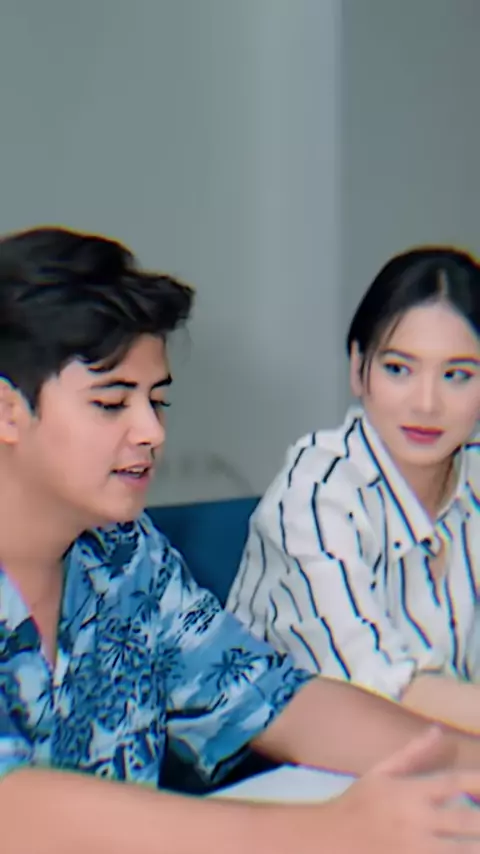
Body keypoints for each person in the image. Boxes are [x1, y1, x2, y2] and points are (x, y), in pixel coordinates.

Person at [1, 230, 480, 854]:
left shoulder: (126, 555)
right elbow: (12, 806)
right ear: (7, 411)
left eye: (157, 400)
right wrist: (325, 831)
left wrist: (463, 761)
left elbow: (274, 698)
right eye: (112, 403)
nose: (151, 431)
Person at [227, 246, 480, 738]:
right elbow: (376, 690)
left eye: (457, 376)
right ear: (358, 368)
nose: (426, 403)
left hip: (443, 756)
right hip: (284, 766)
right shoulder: (316, 490)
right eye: (398, 369)